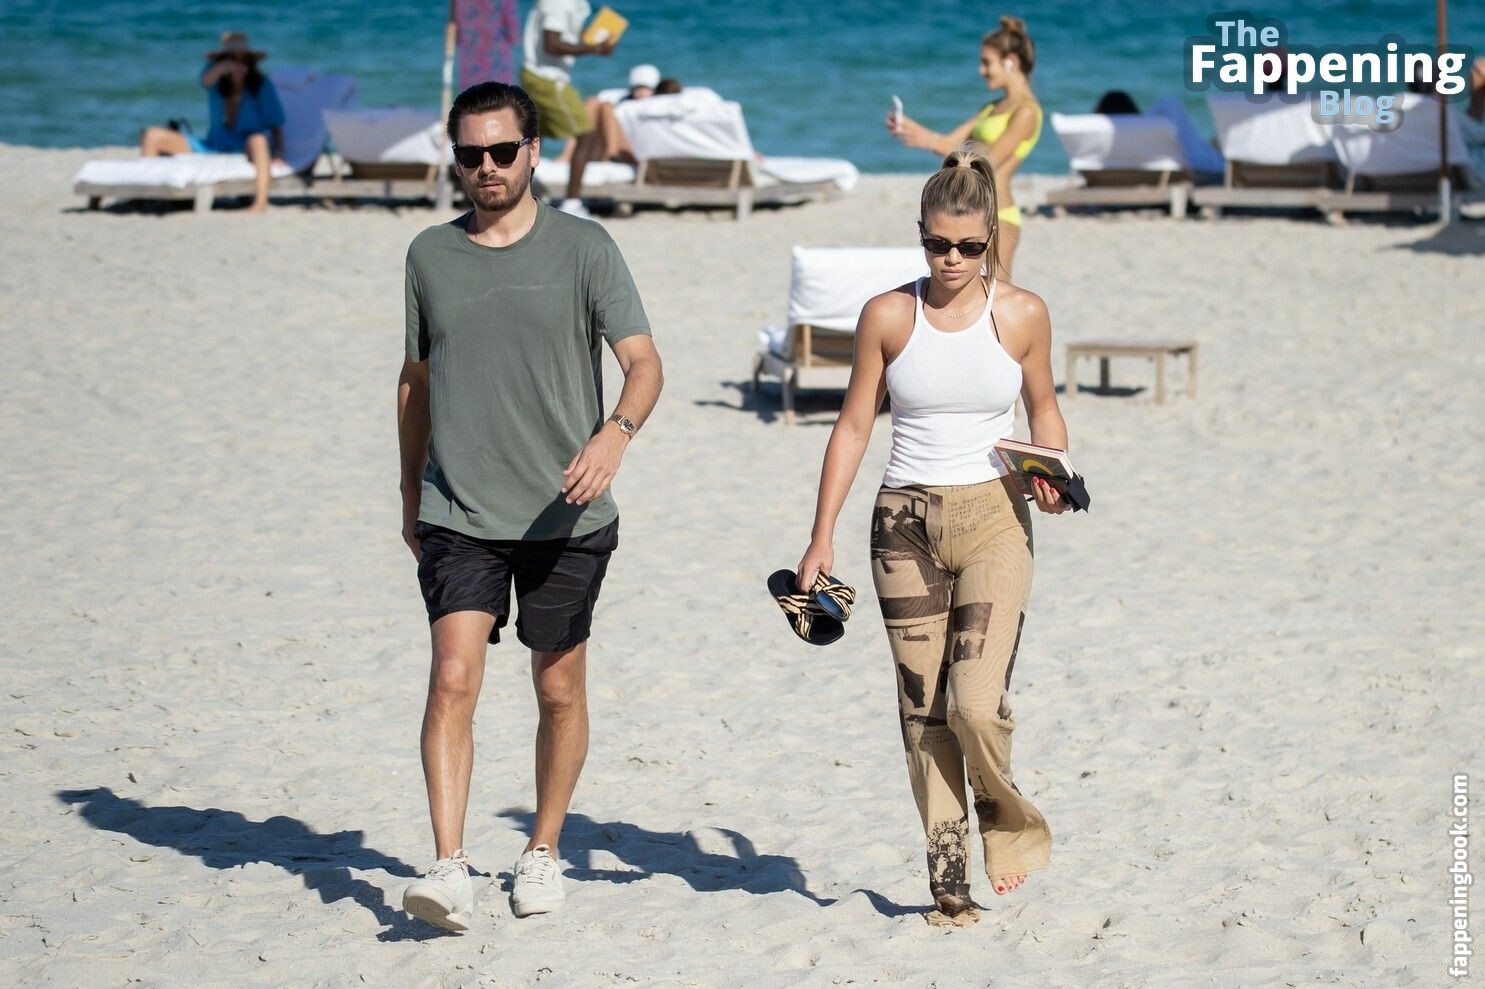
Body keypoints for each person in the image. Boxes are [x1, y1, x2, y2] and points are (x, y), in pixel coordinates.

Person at [397, 81, 664, 931]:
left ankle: (542, 847)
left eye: (501, 151)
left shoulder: (585, 248)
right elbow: (415, 382)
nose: (486, 166)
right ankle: (448, 864)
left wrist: (614, 435)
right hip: (459, 509)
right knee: (452, 676)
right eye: (469, 154)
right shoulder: (429, 255)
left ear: (534, 152)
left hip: (565, 515)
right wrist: (409, 492)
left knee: (556, 687)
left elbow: (644, 364)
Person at [793, 142, 1067, 925]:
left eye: (968, 247)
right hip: (902, 526)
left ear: (990, 240)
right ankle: (948, 875)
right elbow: (853, 426)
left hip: (994, 519)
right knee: (923, 711)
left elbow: (1044, 408)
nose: (951, 259)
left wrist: (1051, 470)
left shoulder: (1021, 314)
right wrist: (820, 535)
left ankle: (1005, 821)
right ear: (919, 235)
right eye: (936, 243)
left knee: (973, 704)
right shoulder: (887, 315)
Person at [889, 16, 1043, 277]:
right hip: (973, 210)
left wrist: (929, 140)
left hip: (1000, 212)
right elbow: (953, 143)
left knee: (997, 290)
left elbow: (987, 160)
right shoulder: (991, 108)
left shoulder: (1027, 111)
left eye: (987, 62)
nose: (981, 70)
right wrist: (912, 130)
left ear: (1011, 61)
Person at [138, 32, 285, 212]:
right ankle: (148, 196)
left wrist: (279, 152)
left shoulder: (261, 85)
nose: (238, 65)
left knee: (259, 140)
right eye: (232, 59)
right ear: (222, 61)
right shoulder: (215, 79)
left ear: (251, 63)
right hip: (213, 144)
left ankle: (260, 202)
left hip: (244, 145)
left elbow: (275, 123)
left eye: (244, 60)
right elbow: (205, 80)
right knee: (152, 135)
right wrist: (223, 69)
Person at [520, 0, 619, 218]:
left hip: (537, 75)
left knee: (533, 138)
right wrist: (594, 48)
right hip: (547, 79)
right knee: (587, 134)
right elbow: (552, 44)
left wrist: (594, 41)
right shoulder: (561, 3)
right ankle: (572, 202)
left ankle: (518, 195)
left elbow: (565, 33)